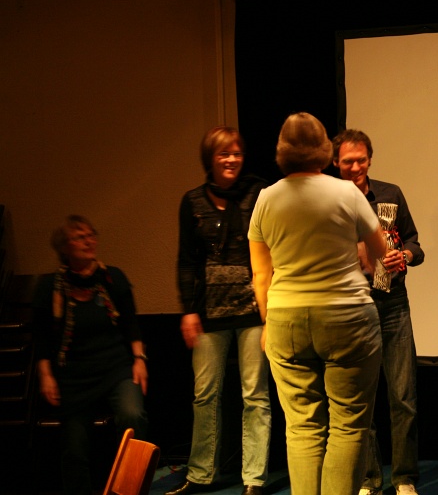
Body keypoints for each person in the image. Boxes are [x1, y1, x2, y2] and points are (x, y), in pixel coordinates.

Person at [248, 112, 388, 495]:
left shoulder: (265, 199)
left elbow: (261, 274)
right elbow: (380, 250)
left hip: (285, 319)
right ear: (325, 150)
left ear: (282, 151)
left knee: (301, 427)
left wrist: (266, 324)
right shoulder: (347, 193)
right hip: (347, 316)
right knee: (349, 424)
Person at [168, 127, 271, 495]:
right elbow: (186, 260)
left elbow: (273, 246)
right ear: (209, 160)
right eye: (223, 154)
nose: (231, 160)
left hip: (253, 310)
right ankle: (200, 475)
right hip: (209, 312)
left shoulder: (258, 194)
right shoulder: (193, 201)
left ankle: (254, 478)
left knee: (255, 395)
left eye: (237, 153)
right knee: (205, 395)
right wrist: (187, 310)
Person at [332, 129, 424, 495]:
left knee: (404, 397)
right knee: (361, 401)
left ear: (370, 159)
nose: (356, 167)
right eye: (347, 162)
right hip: (352, 307)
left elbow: (414, 241)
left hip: (393, 304)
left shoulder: (389, 194)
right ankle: (369, 478)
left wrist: (407, 255)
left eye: (361, 160)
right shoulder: (330, 199)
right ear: (335, 162)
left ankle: (404, 478)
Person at [33, 215, 149, 495]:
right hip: (74, 375)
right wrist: (46, 374)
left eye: (91, 235)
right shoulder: (50, 286)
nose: (88, 242)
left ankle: (131, 488)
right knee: (74, 445)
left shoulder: (112, 278)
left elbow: (131, 324)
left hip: (116, 367)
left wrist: (139, 360)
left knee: (132, 415)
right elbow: (43, 336)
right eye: (79, 237)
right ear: (65, 247)